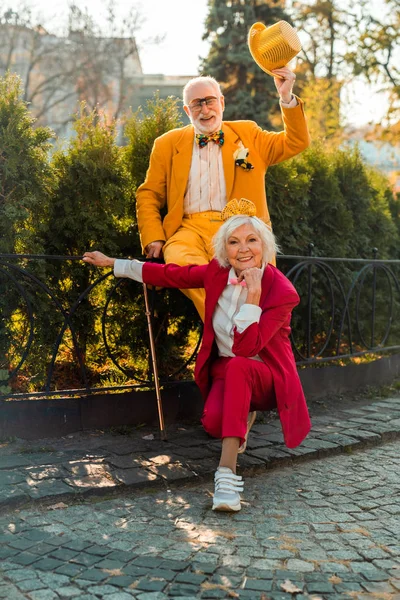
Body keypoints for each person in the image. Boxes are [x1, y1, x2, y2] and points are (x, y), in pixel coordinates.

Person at [83, 198, 311, 512]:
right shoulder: (217, 272)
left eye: (251, 240)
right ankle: (240, 416)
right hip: (226, 369)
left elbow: (246, 350)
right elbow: (170, 274)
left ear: (265, 245)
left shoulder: (283, 292)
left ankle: (226, 476)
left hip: (264, 375)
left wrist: (254, 295)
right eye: (233, 242)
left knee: (240, 367)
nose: (243, 249)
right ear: (224, 249)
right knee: (214, 424)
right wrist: (114, 264)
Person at [136, 67, 310, 321]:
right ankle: (233, 331)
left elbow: (296, 142)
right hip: (189, 230)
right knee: (182, 267)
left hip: (241, 230)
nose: (205, 110)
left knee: (256, 288)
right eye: (197, 104)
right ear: (187, 111)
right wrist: (154, 237)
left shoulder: (248, 134)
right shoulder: (166, 144)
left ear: (222, 103)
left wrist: (286, 97)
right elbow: (149, 194)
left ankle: (241, 341)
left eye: (210, 101)